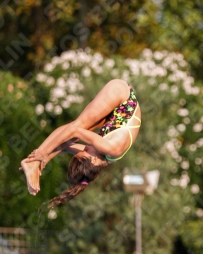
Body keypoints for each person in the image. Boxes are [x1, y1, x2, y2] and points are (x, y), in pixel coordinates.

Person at [20, 79, 141, 207]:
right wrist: (44, 153)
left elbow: (65, 145)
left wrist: (43, 163)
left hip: (115, 111)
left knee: (70, 138)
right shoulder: (110, 148)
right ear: (93, 160)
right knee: (78, 127)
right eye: (85, 152)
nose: (85, 148)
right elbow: (73, 130)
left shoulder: (102, 157)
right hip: (122, 95)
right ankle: (35, 161)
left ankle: (35, 163)